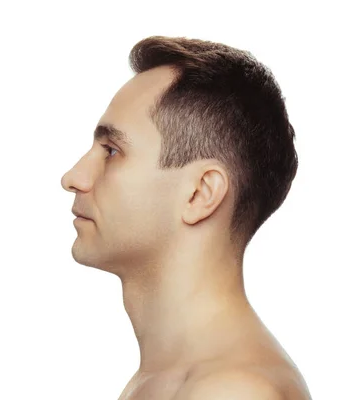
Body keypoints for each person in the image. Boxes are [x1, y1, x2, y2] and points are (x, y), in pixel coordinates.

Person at [60, 36, 312, 400]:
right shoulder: (161, 381)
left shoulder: (233, 391)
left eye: (112, 151)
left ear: (200, 194)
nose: (73, 178)